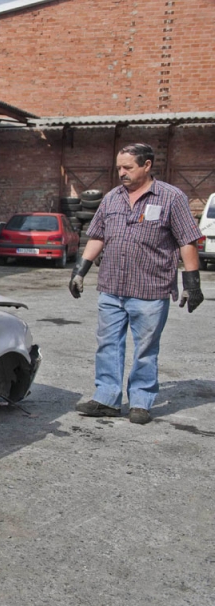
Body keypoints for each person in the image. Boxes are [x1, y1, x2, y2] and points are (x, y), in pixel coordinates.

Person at [68, 142, 204, 424]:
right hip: (112, 287)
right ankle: (106, 398)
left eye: (128, 167)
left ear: (147, 165)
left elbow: (187, 241)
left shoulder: (171, 198)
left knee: (145, 348)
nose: (122, 173)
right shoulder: (111, 198)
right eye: (119, 167)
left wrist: (192, 284)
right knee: (107, 344)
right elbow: (97, 236)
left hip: (150, 290)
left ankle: (141, 401)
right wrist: (80, 270)